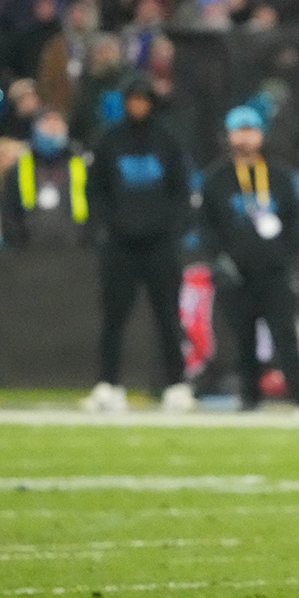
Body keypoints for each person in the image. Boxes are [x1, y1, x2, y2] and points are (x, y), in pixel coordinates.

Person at [82, 75, 193, 414]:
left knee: (168, 317)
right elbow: (95, 189)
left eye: (143, 100)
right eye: (132, 100)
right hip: (120, 245)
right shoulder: (109, 141)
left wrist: (169, 228)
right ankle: (107, 384)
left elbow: (181, 191)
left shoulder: (168, 140)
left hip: (160, 246)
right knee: (113, 317)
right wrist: (110, 225)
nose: (138, 106)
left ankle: (176, 384)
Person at [199, 106, 299, 414]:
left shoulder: (278, 175)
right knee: (243, 340)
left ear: (261, 135)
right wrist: (220, 259)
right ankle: (250, 398)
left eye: (251, 130)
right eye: (239, 131)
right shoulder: (217, 178)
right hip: (236, 273)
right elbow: (206, 224)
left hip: (274, 271)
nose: (245, 138)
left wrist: (284, 255)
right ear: (228, 135)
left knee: (286, 338)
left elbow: (295, 219)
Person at [0, 109, 88, 248]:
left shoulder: (81, 165)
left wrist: (88, 243)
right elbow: (9, 211)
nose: (52, 129)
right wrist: (16, 246)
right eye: (46, 123)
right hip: (29, 253)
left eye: (57, 123)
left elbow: (95, 205)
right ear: (35, 128)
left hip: (75, 250)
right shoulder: (19, 168)